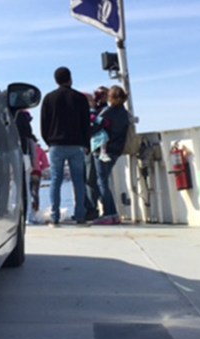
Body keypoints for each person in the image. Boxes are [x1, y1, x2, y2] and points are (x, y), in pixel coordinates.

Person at [40, 66, 91, 226]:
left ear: (56, 80)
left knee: (56, 180)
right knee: (78, 181)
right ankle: (80, 215)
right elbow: (86, 124)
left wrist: (49, 141)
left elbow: (44, 124)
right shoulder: (80, 98)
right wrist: (86, 143)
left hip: (56, 144)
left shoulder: (49, 98)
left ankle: (55, 217)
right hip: (76, 144)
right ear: (70, 78)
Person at [91, 85, 131, 226]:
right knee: (104, 180)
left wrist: (91, 113)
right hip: (116, 151)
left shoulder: (107, 112)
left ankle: (109, 214)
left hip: (103, 150)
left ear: (111, 97)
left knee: (101, 182)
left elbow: (94, 127)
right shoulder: (125, 113)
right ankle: (113, 214)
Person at [84, 87, 109, 220]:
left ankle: (92, 209)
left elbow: (96, 126)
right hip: (89, 147)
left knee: (91, 179)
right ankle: (88, 207)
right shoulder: (93, 112)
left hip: (94, 148)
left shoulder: (102, 111)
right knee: (88, 179)